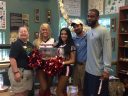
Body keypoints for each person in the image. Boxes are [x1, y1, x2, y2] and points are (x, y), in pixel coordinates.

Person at [84, 9, 112, 96]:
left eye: (92, 16)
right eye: (88, 16)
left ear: (98, 18)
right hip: (88, 70)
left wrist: (106, 70)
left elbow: (107, 50)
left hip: (98, 72)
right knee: (88, 93)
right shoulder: (88, 32)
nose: (89, 18)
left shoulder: (104, 31)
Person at [8, 26, 34, 96]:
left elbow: (31, 57)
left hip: (28, 73)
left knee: (25, 93)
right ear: (18, 34)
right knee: (19, 93)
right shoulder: (16, 43)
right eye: (21, 31)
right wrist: (16, 72)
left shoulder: (29, 45)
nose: (23, 33)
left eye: (25, 31)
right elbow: (12, 58)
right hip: (19, 72)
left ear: (28, 34)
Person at [34, 23, 55, 96]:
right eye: (43, 29)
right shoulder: (36, 42)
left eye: (46, 29)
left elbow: (57, 54)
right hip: (41, 66)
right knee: (44, 86)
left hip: (51, 66)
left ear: (49, 31)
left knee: (48, 86)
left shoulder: (53, 41)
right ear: (40, 31)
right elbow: (34, 55)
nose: (45, 31)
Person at [55, 27, 76, 96]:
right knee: (63, 90)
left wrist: (62, 63)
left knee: (58, 91)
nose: (63, 35)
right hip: (59, 69)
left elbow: (73, 60)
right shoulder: (59, 44)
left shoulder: (71, 46)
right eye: (62, 34)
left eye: (65, 34)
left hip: (66, 69)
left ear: (68, 35)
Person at [71, 19, 88, 96]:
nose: (76, 28)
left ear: (82, 26)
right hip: (75, 66)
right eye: (74, 27)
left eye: (77, 26)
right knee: (76, 87)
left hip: (86, 66)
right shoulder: (73, 39)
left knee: (85, 87)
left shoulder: (88, 37)